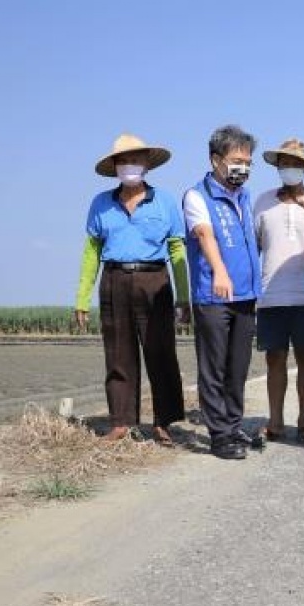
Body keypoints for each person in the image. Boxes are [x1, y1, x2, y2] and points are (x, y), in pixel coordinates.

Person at [76, 134, 188, 445]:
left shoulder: (164, 202)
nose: (130, 166)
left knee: (161, 353)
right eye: (124, 161)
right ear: (114, 167)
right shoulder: (100, 204)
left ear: (147, 165)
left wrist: (184, 295)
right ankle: (121, 422)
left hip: (155, 281)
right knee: (118, 355)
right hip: (114, 280)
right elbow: (91, 253)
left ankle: (164, 422)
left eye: (136, 160)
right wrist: (81, 298)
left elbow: (177, 250)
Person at [183, 125, 263, 461]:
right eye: (236, 160)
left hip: (246, 295)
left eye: (247, 161)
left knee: (238, 367)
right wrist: (219, 270)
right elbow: (204, 235)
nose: (242, 167)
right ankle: (219, 436)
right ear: (216, 159)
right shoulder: (196, 196)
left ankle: (233, 426)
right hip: (214, 295)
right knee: (214, 367)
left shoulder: (244, 196)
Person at [253, 138, 304, 444]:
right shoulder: (263, 202)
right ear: (277, 167)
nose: (290, 168)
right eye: (285, 163)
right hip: (271, 294)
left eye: (296, 163)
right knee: (274, 359)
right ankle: (275, 421)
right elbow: (254, 246)